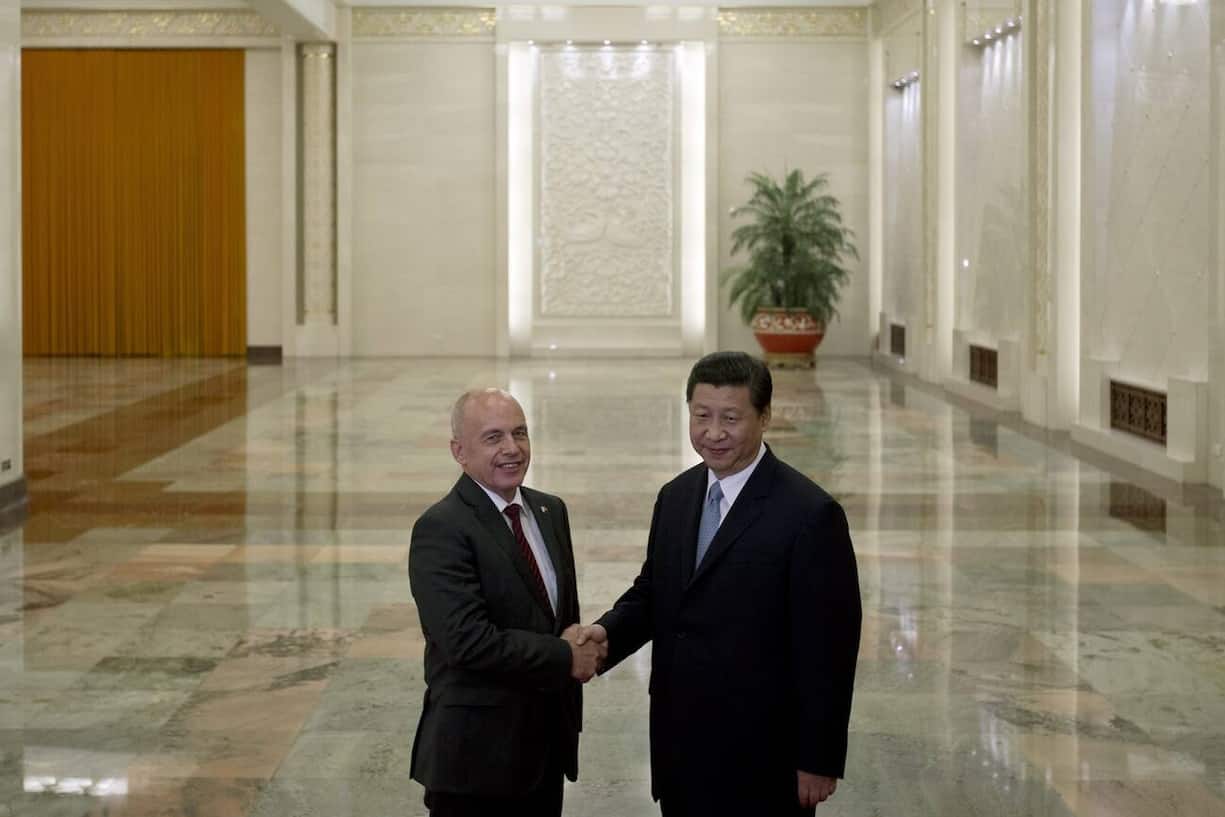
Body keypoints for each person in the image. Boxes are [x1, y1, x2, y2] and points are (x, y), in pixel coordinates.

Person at [580, 351, 862, 816]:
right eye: (701, 416)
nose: (713, 434)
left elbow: (828, 649)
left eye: (731, 418)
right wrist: (607, 634)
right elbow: (656, 592)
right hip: (680, 748)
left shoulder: (810, 514)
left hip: (763, 759)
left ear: (764, 417)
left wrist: (818, 758)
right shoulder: (676, 496)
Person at [408, 388, 605, 817]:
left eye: (520, 433)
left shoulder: (550, 511)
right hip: (476, 762)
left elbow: (559, 620)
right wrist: (564, 655)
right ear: (459, 451)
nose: (512, 449)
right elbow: (466, 641)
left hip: (545, 751)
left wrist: (579, 642)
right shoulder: (441, 528)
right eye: (493, 437)